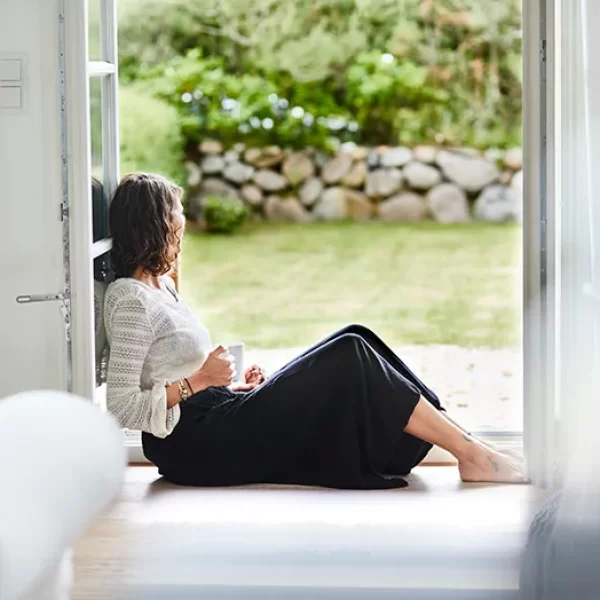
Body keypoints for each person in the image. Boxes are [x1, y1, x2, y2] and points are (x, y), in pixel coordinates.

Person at [104, 172, 524, 489]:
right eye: (174, 214)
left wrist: (229, 389)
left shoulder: (163, 287)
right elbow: (123, 406)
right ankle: (472, 455)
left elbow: (168, 375)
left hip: (215, 413)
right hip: (192, 445)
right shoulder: (129, 299)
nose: (182, 223)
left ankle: (470, 444)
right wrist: (200, 382)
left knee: (356, 336)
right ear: (153, 223)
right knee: (348, 355)